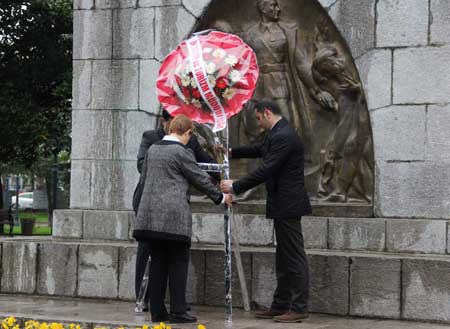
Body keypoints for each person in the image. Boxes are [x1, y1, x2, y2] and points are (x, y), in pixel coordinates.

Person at [134, 114, 232, 323]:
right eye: (190, 135)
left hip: (150, 217)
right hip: (173, 218)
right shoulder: (181, 152)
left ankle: (158, 312)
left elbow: (144, 180)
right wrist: (221, 197)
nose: (190, 139)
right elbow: (198, 178)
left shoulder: (153, 149)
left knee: (158, 263)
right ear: (187, 132)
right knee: (178, 263)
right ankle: (178, 311)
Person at [220, 101, 311, 323]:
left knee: (294, 257)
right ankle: (280, 305)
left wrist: (235, 186)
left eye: (259, 118)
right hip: (281, 203)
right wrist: (230, 152)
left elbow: (267, 168)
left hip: (288, 204)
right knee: (283, 257)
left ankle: (299, 307)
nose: (258, 123)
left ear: (267, 113)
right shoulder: (277, 133)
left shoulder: (284, 136)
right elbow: (260, 150)